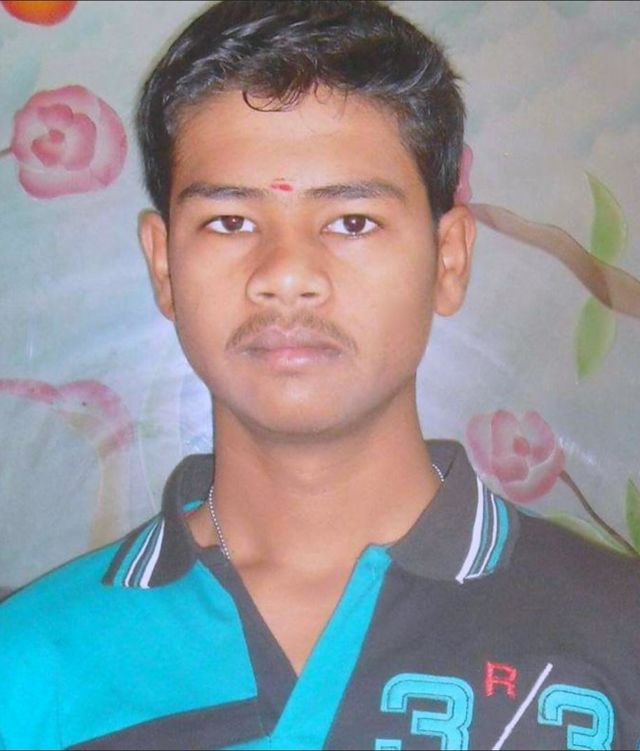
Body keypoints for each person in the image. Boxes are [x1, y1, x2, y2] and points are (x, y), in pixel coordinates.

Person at [1, 1, 638, 749]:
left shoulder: (619, 633)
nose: (287, 274)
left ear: (450, 260)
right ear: (164, 265)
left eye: (352, 222)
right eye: (230, 223)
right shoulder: (28, 664)